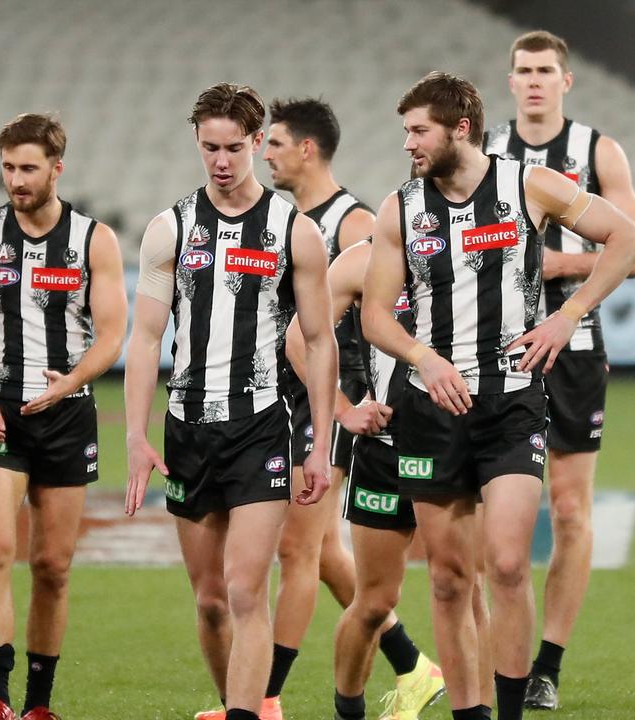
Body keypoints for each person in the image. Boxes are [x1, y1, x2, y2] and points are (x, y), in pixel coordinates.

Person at [362, 71, 635, 720]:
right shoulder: (399, 209)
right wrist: (422, 357)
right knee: (445, 578)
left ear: (459, 129)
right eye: (405, 131)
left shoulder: (528, 184)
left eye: (418, 131)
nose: (408, 143)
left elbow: (628, 238)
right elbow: (376, 315)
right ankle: (472, 713)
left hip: (514, 402)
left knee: (510, 564)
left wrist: (570, 313)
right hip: (432, 410)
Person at [124, 83, 337, 720]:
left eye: (234, 148)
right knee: (211, 599)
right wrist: (136, 435)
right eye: (209, 148)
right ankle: (236, 704)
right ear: (197, 142)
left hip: (260, 428)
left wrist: (319, 444)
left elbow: (321, 342)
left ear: (254, 143)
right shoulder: (170, 229)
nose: (221, 160)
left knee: (247, 589)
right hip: (189, 426)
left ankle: (249, 712)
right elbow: (144, 335)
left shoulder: (292, 231)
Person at [482, 30, 635, 710]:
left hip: (575, 344)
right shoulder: (484, 151)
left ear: (566, 80)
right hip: (492, 351)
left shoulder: (597, 151)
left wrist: (558, 263)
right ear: (509, 79)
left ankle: (547, 665)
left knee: (572, 509)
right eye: (522, 70)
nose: (533, 80)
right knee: (489, 518)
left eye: (544, 70)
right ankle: (489, 658)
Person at [257, 96, 442, 719]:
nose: (264, 154)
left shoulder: (355, 223)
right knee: (330, 557)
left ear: (307, 148)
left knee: (298, 551)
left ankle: (265, 699)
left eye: (274, 143)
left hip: (342, 406)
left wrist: (348, 404)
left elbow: (382, 320)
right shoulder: (290, 218)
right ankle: (414, 666)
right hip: (302, 400)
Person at [0, 113, 127, 720]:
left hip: (67, 414)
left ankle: (38, 704)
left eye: (28, 168)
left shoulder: (92, 238)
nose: (16, 180)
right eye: (8, 168)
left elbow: (111, 333)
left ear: (56, 167)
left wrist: (72, 381)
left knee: (52, 565)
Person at [281, 237, 451, 720]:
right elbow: (300, 337)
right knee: (374, 601)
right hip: (386, 449)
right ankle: (350, 711)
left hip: (457, 447)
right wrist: (343, 409)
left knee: (463, 586)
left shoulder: (479, 247)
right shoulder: (367, 254)